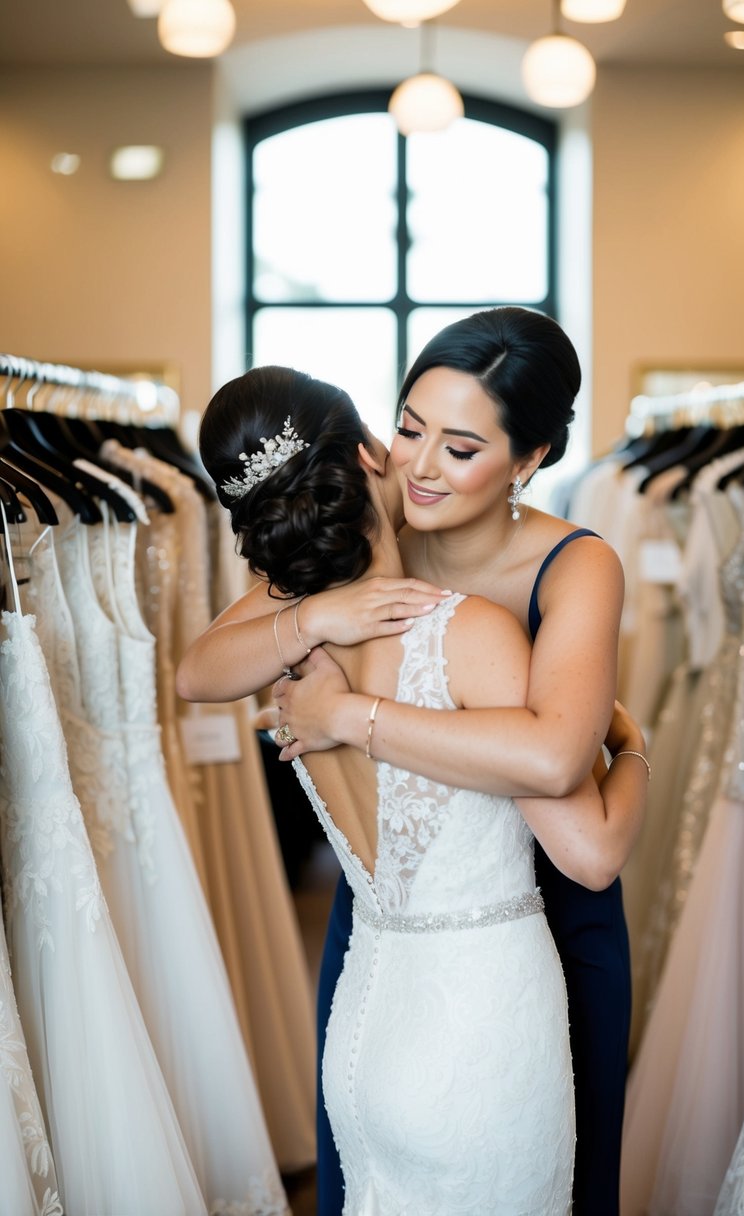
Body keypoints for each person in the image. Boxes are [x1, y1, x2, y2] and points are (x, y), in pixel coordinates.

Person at [178, 309, 648, 1216]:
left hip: (545, 909)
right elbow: (201, 668)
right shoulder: (359, 521)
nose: (420, 466)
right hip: (394, 904)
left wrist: (347, 714)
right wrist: (311, 619)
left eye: (461, 447)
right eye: (406, 428)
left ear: (530, 457)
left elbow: (554, 760)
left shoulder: (573, 565)